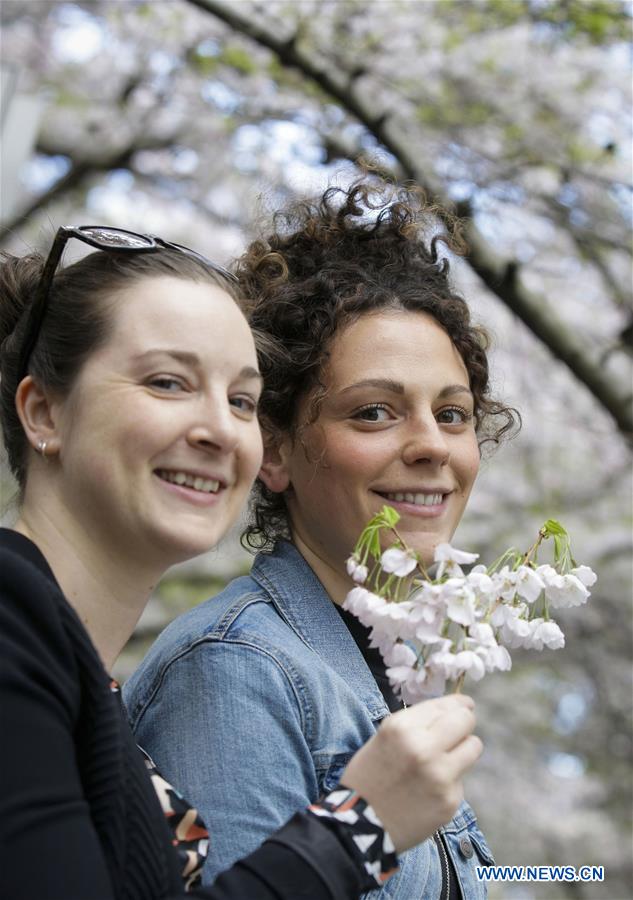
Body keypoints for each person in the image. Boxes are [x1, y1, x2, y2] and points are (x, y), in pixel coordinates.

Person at [0, 224, 483, 900]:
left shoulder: (79, 682)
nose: (219, 429)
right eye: (168, 382)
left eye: (241, 402)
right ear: (44, 412)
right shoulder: (19, 621)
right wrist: (362, 827)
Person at [125, 181, 517, 897]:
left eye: (453, 414)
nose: (432, 446)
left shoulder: (393, 668)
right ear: (272, 449)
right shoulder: (235, 670)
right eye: (373, 412)